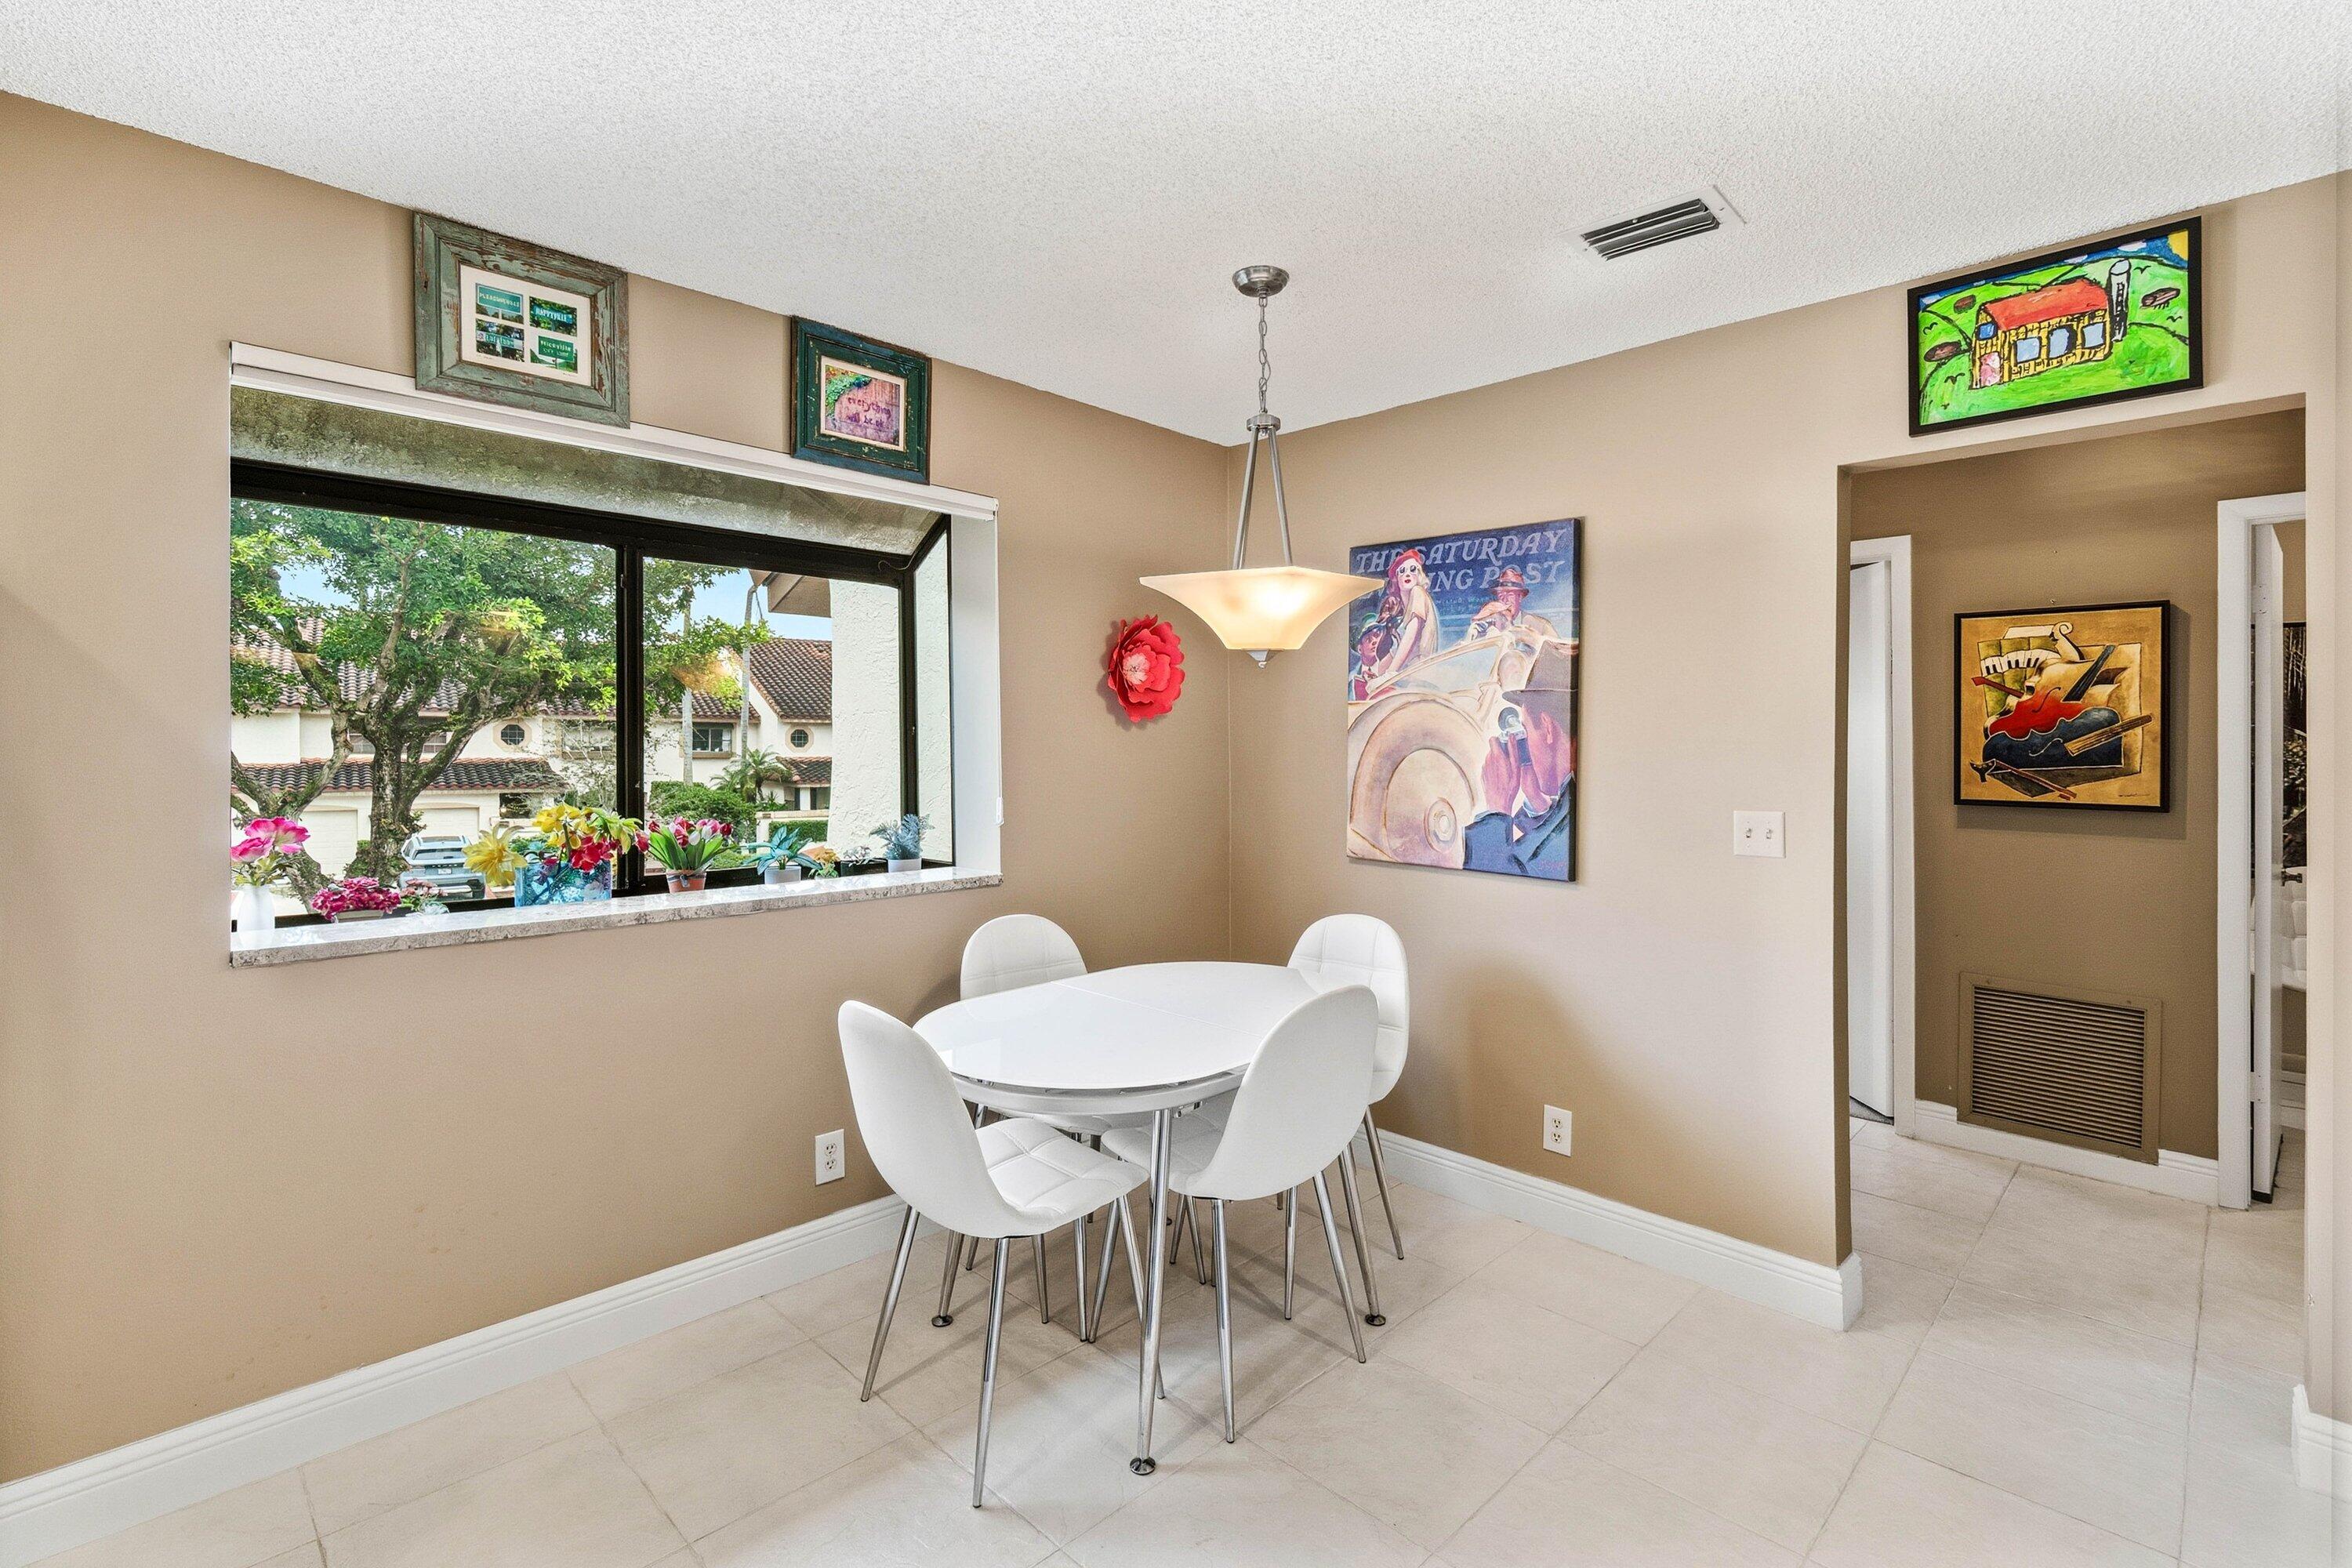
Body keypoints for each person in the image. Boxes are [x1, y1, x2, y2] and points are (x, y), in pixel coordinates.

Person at [1367, 549, 1438, 683]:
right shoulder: (1404, 614)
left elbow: (1411, 635)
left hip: (1418, 675)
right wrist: (1378, 676)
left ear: (1420, 575)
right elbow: (1396, 652)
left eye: (1413, 569)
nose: (1407, 574)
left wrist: (1389, 675)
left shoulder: (1418, 592)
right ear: (1397, 580)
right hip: (1410, 677)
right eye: (1402, 571)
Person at [1466, 567, 1556, 642]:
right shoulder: (1487, 625)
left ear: (1520, 597)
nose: (1505, 600)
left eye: (1510, 594)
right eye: (1501, 595)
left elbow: (1562, 654)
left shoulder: (1541, 626)